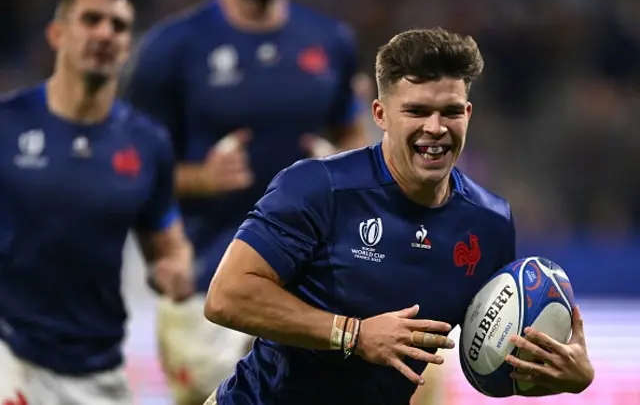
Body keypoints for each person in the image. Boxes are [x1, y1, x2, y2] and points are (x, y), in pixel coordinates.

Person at [203, 27, 595, 405]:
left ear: (468, 114)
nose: (436, 128)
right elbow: (226, 296)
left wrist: (565, 376)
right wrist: (353, 335)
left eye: (451, 112)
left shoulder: (489, 223)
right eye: (417, 111)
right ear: (380, 114)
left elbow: (493, 363)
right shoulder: (318, 188)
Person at [122, 0, 369, 403]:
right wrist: (201, 177)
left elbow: (352, 135)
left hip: (311, 289)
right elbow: (127, 169)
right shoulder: (171, 48)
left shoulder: (331, 41)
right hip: (207, 289)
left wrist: (340, 161)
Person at [0, 0, 194, 404]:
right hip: (12, 355)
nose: (105, 33)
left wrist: (174, 270)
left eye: (119, 26)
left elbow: (168, 243)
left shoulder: (147, 143)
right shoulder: (7, 125)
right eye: (91, 20)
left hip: (99, 368)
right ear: (57, 34)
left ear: (128, 46)